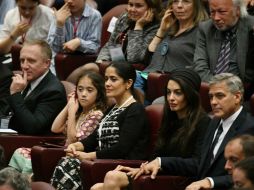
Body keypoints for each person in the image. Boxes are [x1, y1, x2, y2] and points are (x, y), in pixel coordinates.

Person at [90, 68, 211, 190]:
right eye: (168, 92)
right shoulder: (170, 118)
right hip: (160, 175)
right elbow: (157, 155)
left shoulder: (204, 122)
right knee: (96, 187)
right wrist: (142, 168)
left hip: (180, 180)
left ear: (190, 94)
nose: (171, 98)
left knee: (113, 177)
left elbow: (197, 164)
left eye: (178, 93)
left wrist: (161, 162)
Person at [134, 73, 254, 190]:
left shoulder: (249, 127)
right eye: (211, 96)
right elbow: (199, 164)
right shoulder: (214, 122)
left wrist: (211, 182)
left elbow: (249, 175)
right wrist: (158, 163)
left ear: (237, 97)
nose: (213, 102)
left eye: (220, 96)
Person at [50, 62, 149, 190]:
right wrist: (75, 146)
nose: (107, 83)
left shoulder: (135, 110)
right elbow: (93, 139)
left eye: (113, 79)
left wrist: (87, 156)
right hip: (101, 162)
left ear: (128, 83)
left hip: (120, 166)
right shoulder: (112, 109)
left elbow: (121, 149)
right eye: (106, 79)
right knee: (66, 161)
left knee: (70, 164)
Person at [8, 71, 107, 175]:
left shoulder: (96, 115)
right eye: (80, 89)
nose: (83, 94)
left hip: (73, 158)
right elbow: (55, 128)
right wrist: (69, 105)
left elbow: (73, 140)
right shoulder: (79, 112)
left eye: (90, 90)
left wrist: (72, 112)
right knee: (19, 152)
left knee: (30, 162)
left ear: (99, 93)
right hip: (61, 152)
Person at [66, 0, 163, 84]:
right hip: (115, 65)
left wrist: (138, 27)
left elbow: (134, 58)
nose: (132, 9)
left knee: (90, 69)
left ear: (151, 9)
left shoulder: (156, 28)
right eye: (130, 4)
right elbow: (111, 44)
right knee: (91, 69)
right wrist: (102, 62)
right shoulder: (125, 18)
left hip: (135, 74)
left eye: (138, 6)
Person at [133, 0, 208, 94]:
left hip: (173, 84)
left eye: (186, 1)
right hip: (148, 79)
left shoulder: (201, 32)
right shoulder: (169, 28)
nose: (179, 6)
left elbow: (199, 66)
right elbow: (146, 59)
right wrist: (161, 30)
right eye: (175, 1)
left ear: (196, 6)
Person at [0, 40, 66, 135]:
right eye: (22, 60)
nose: (24, 66)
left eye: (31, 61)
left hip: (33, 143)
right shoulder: (25, 81)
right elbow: (5, 113)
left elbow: (33, 128)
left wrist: (15, 94)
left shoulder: (54, 91)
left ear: (46, 63)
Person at [193, 0, 254, 84]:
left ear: (238, 10)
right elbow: (199, 65)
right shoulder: (206, 28)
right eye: (212, 12)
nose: (216, 18)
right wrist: (217, 87)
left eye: (222, 12)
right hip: (209, 85)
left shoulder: (251, 28)